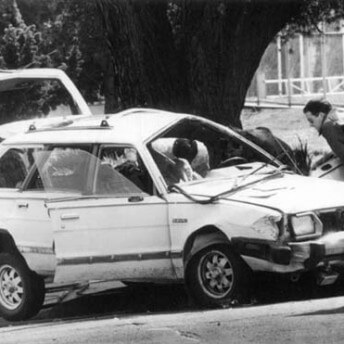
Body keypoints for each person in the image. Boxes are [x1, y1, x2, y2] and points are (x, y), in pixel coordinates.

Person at [303, 99, 344, 165]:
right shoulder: (336, 116)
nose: (310, 125)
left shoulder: (327, 127)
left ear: (321, 115)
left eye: (311, 120)